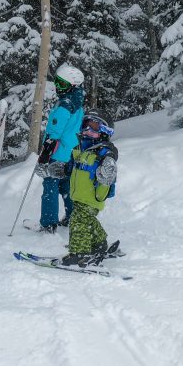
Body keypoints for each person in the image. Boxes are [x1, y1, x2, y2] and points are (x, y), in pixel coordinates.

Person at [40, 111, 118, 266]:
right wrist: (60, 169)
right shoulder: (81, 148)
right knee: (85, 219)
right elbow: (71, 167)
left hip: (93, 195)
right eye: (86, 125)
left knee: (77, 221)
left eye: (94, 126)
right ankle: (99, 243)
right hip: (79, 195)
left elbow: (111, 160)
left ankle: (80, 253)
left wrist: (108, 167)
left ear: (105, 131)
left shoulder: (104, 150)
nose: (88, 129)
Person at [33, 63, 85, 233]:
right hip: (71, 152)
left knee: (50, 185)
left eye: (62, 84)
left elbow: (55, 131)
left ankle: (48, 223)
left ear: (73, 86)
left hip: (58, 153)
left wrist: (45, 153)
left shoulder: (65, 104)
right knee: (66, 186)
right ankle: (73, 218)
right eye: (57, 83)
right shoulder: (78, 103)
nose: (58, 87)